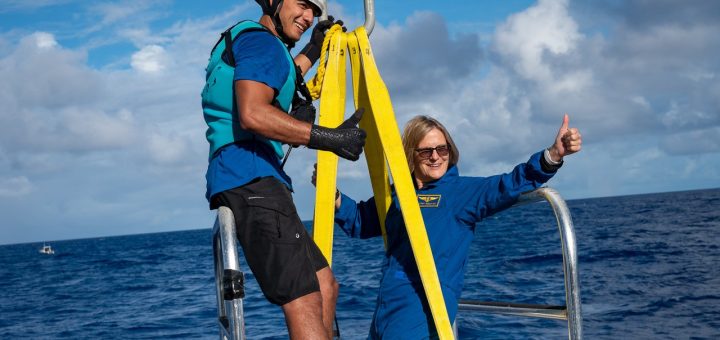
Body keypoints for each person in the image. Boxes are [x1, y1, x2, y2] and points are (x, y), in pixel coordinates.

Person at [312, 114, 582, 339]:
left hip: (424, 308)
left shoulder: (460, 194)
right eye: (426, 151)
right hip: (385, 307)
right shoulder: (398, 196)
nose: (435, 157)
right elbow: (362, 220)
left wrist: (553, 155)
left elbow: (509, 183)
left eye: (442, 149)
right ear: (410, 155)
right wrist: (333, 195)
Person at [201, 0, 367, 338]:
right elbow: (254, 113)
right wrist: (329, 138)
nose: (308, 16)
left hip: (253, 176)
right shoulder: (262, 42)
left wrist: (313, 49)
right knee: (303, 298)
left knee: (324, 285)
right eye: (302, 4)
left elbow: (280, 73)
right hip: (251, 177)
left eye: (314, 12)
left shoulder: (255, 42)